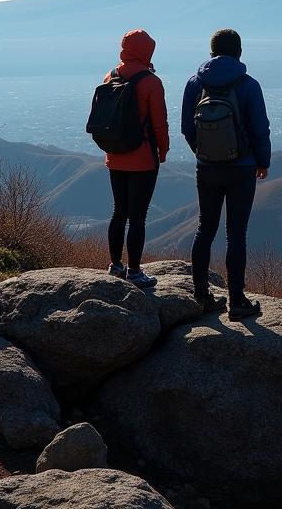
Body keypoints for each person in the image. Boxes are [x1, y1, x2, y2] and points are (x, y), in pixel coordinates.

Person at [181, 28, 271, 320]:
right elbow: (259, 128)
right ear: (239, 52)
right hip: (242, 168)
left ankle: (201, 296)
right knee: (236, 235)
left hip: (206, 168)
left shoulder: (195, 83)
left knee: (204, 229)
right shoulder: (248, 85)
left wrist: (202, 151)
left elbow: (186, 127)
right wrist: (262, 161)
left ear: (211, 52)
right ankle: (237, 302)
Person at [103, 29, 169, 287]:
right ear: (146, 51)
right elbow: (159, 123)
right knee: (138, 217)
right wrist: (162, 150)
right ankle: (135, 271)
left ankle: (115, 265)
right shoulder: (151, 82)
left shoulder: (111, 76)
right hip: (142, 158)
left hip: (115, 155)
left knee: (118, 212)